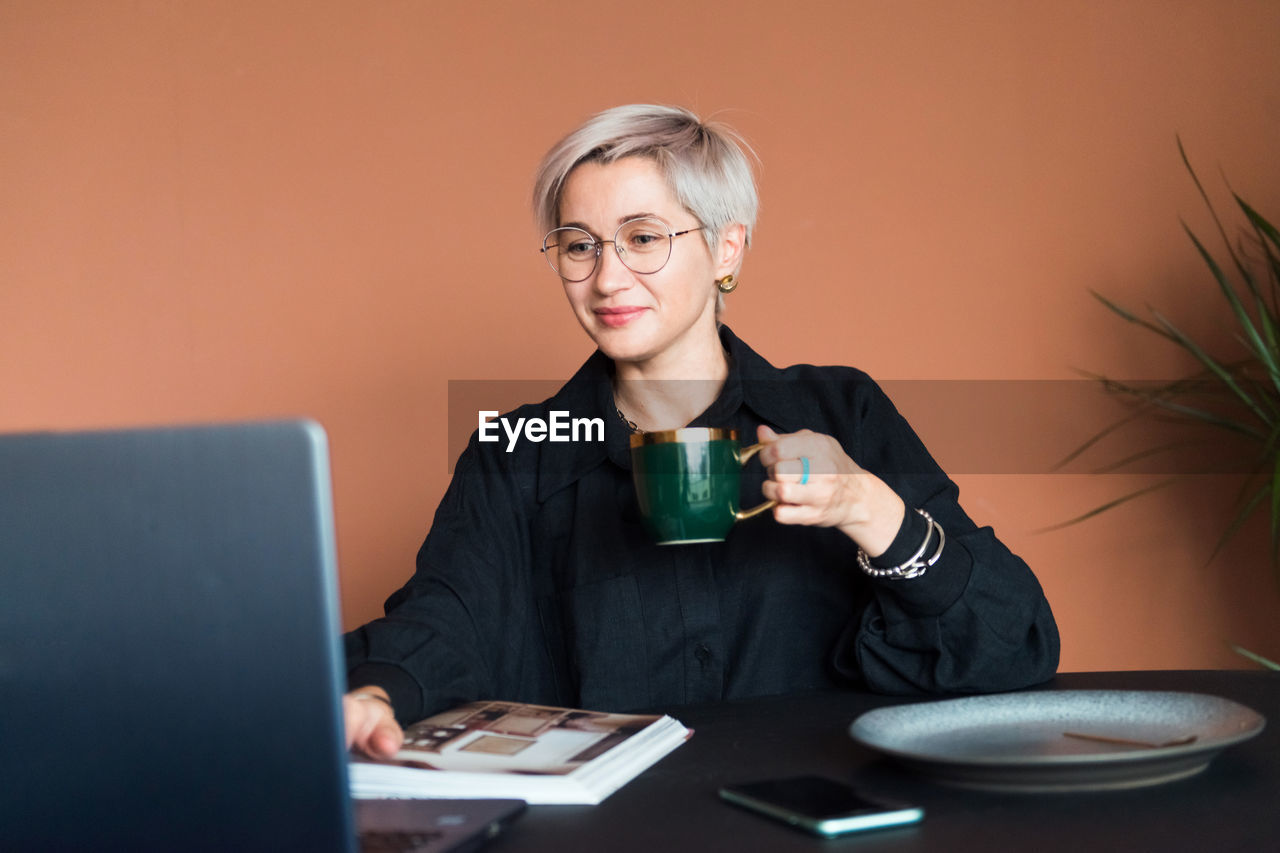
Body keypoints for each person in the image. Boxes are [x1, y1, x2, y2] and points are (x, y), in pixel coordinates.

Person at [343, 104, 1059, 759]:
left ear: (726, 251)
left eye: (643, 237)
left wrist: (871, 510)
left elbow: (1012, 645)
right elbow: (446, 617)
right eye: (578, 246)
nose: (607, 278)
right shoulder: (517, 452)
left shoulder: (840, 410)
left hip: (816, 819)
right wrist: (376, 695)